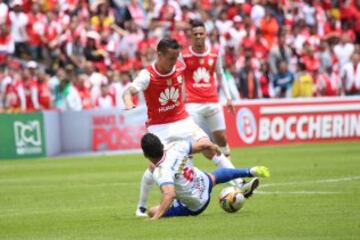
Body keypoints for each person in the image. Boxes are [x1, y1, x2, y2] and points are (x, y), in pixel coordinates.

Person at [123, 38, 258, 217]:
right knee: (155, 166)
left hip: (182, 120)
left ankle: (240, 184)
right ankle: (141, 207)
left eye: (176, 57)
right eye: (171, 58)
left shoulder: (179, 66)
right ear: (160, 55)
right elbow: (129, 90)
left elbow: (186, 80)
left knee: (210, 148)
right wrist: (127, 101)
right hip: (159, 128)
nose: (174, 62)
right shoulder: (148, 75)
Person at [140, 133, 270, 220]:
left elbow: (169, 194)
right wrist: (212, 145)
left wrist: (155, 218)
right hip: (203, 182)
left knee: (152, 211)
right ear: (162, 146)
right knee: (215, 176)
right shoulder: (176, 147)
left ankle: (165, 207)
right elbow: (201, 146)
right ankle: (249, 171)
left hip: (196, 204)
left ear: (145, 155)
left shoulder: (161, 172)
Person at [182, 20, 234, 157]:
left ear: (206, 35)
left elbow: (221, 76)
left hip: (212, 101)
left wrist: (228, 98)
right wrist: (181, 97)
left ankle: (229, 168)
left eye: (201, 33)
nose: (198, 36)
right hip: (192, 104)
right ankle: (186, 173)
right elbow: (179, 77)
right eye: (195, 34)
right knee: (193, 140)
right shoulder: (184, 55)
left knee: (221, 137)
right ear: (191, 36)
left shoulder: (215, 54)